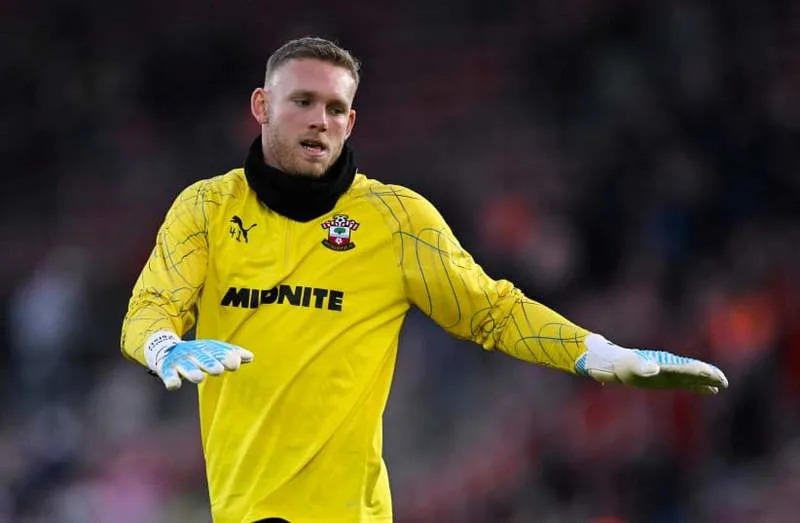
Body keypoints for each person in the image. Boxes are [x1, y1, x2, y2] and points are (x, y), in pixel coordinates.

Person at [120, 36, 728, 523]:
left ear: (351, 121)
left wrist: (600, 354)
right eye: (301, 101)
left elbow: (493, 311)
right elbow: (150, 305)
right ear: (261, 106)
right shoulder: (206, 209)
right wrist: (163, 345)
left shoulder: (395, 221)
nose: (319, 121)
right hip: (241, 511)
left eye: (335, 109)